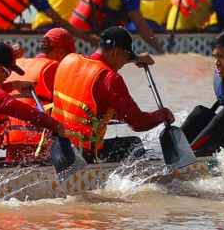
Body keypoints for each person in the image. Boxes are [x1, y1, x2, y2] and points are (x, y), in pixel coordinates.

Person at [49, 28, 174, 160]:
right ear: (116, 52)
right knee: (134, 144)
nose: (122, 65)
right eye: (126, 57)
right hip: (84, 156)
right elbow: (139, 123)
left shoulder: (69, 60)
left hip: (58, 150)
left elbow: (95, 66)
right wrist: (164, 113)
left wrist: (134, 59)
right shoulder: (111, 79)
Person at [0, 26, 76, 159]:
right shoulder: (53, 67)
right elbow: (71, 106)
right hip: (38, 143)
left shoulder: (17, 64)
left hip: (11, 140)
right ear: (63, 53)